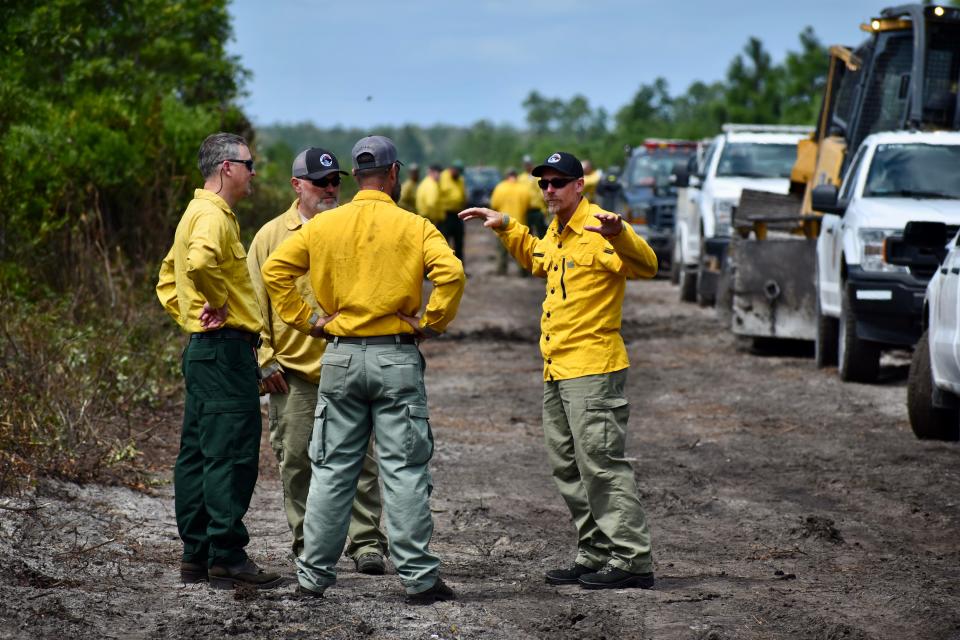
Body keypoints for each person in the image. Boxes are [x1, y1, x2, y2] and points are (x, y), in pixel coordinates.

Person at [261, 135, 466, 603]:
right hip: (396, 356)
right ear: (394, 175)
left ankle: (312, 575)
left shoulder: (325, 226)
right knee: (403, 468)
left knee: (332, 468)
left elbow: (276, 272)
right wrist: (429, 323)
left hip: (340, 356)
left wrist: (308, 320)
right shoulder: (415, 226)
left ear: (355, 177)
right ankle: (418, 577)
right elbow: (451, 274)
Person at [459, 150, 659, 590]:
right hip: (557, 366)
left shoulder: (600, 226)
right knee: (568, 467)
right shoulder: (559, 231)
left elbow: (647, 266)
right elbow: (538, 259)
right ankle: (594, 552)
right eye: (543, 183)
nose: (548, 190)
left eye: (556, 182)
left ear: (578, 185)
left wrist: (622, 233)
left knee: (601, 465)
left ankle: (631, 559)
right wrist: (508, 228)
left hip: (592, 366)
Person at [246, 147, 389, 575]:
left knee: (360, 460)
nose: (330, 189)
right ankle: (308, 542)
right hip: (293, 374)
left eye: (335, 182)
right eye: (320, 182)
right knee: (296, 461)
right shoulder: (270, 236)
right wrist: (264, 358)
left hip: (348, 363)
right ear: (296, 186)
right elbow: (255, 304)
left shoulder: (352, 228)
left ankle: (366, 542)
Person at [156, 132, 282, 590]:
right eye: (249, 164)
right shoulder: (212, 216)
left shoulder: (194, 212)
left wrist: (194, 317)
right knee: (229, 452)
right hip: (226, 350)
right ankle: (226, 555)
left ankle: (198, 554)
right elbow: (199, 264)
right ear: (227, 168)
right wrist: (219, 304)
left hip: (205, 348)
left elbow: (167, 281)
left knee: (196, 452)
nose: (253, 173)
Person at [489, 169, 530, 276]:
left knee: (502, 249)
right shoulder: (524, 189)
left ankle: (502, 270)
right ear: (516, 176)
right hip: (519, 224)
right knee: (520, 250)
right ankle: (522, 271)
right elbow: (527, 206)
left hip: (502, 224)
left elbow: (494, 204)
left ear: (506, 176)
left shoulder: (500, 188)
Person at [438, 161, 467, 261]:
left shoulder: (460, 180)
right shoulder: (442, 177)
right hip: (446, 215)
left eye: (459, 172)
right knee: (444, 242)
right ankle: (445, 266)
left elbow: (463, 196)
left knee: (459, 242)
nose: (458, 174)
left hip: (458, 215)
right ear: (452, 169)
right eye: (457, 171)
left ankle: (460, 267)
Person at [518, 154, 548, 238]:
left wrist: (545, 208)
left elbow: (542, 192)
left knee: (542, 232)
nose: (527, 166)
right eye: (526, 164)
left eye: (529, 164)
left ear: (532, 164)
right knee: (527, 234)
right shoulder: (520, 178)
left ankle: (543, 250)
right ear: (523, 165)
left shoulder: (537, 176)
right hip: (526, 210)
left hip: (538, 209)